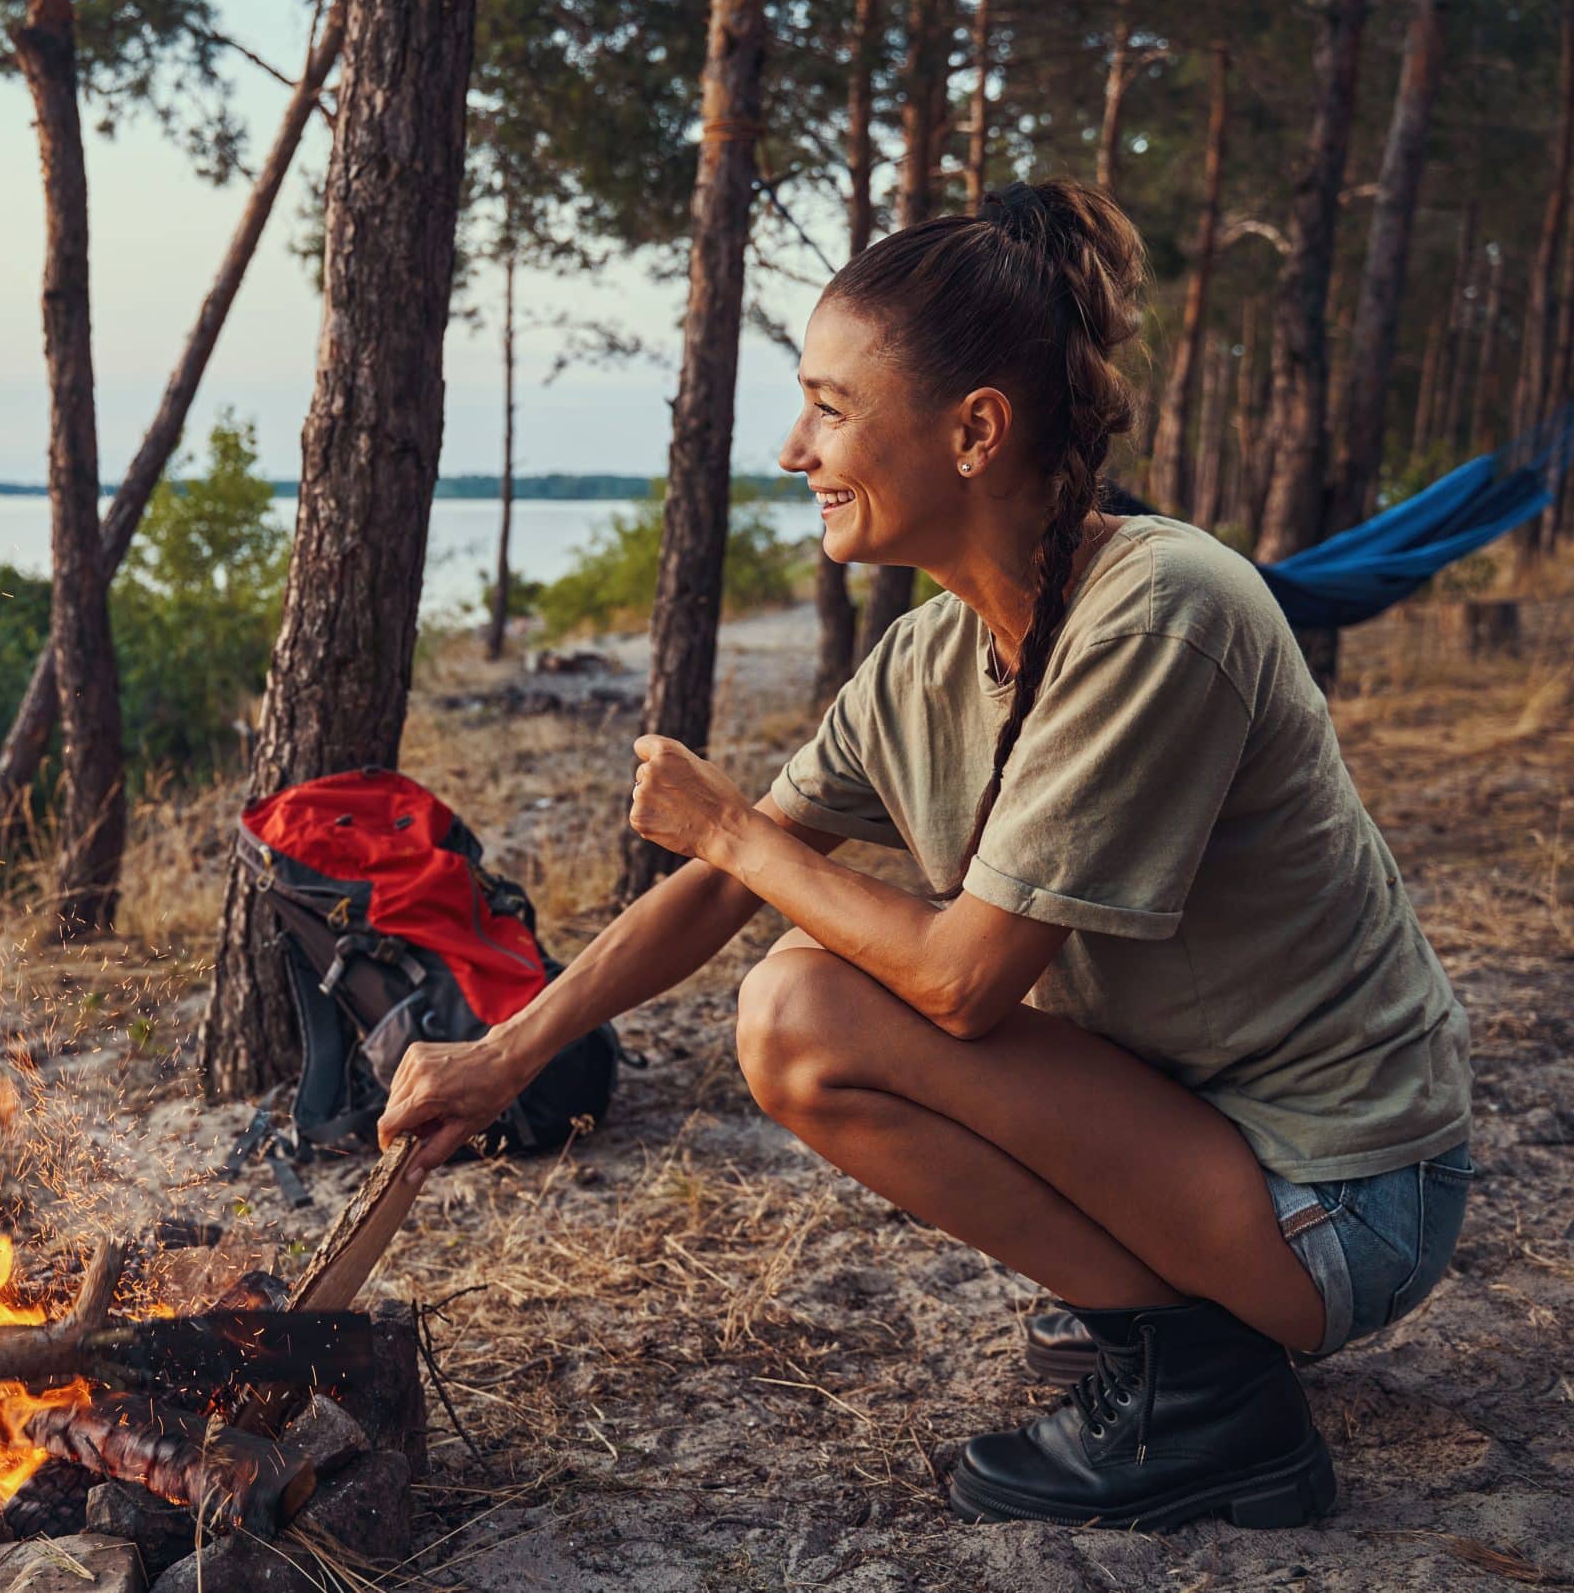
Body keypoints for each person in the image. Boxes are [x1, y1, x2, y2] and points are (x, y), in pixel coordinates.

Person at [376, 179, 1473, 1533]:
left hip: (1343, 1197)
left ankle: (1205, 1393)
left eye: (832, 406)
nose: (794, 447)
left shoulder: (1157, 616)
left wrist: (724, 821)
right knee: (790, 990)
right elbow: (730, 880)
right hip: (1203, 1148)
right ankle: (1177, 1335)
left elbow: (961, 985)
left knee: (796, 1005)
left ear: (973, 432)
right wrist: (509, 1053)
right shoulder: (930, 659)